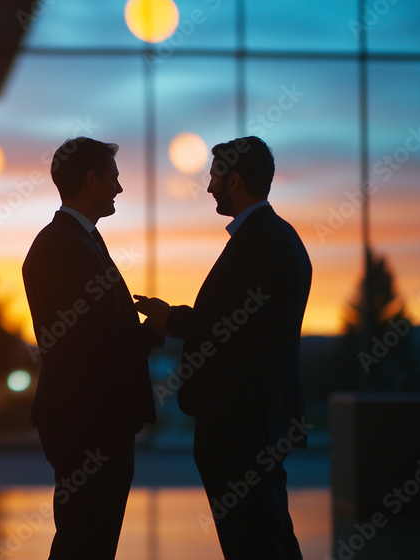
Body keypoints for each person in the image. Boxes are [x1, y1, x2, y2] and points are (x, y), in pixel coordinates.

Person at [135, 136, 311, 559]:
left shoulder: (259, 242)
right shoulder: (275, 238)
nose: (209, 187)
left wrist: (170, 318)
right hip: (257, 418)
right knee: (265, 530)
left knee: (252, 537)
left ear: (234, 180)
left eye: (214, 176)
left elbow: (234, 330)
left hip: (242, 424)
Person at [22, 137, 160, 560]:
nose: (119, 189)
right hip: (89, 423)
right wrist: (157, 329)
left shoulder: (76, 241)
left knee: (86, 537)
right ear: (90, 180)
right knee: (87, 540)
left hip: (90, 420)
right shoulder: (65, 247)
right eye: (114, 178)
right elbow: (92, 343)